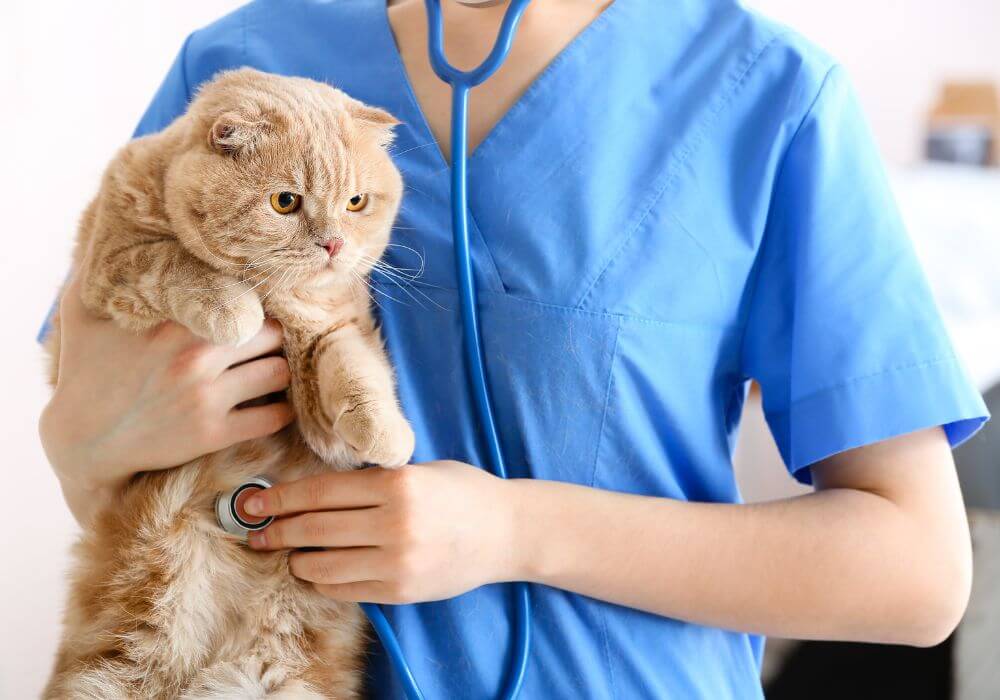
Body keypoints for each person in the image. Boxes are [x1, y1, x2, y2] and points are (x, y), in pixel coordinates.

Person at [39, 1, 989, 697]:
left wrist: (515, 531)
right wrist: (81, 440)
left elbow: (915, 575)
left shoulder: (762, 90)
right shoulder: (249, 63)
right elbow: (107, 449)